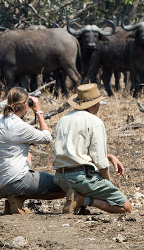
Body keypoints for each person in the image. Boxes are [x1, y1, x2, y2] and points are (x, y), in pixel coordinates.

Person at [53, 83, 132, 214]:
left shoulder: (63, 120)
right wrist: (107, 182)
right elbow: (100, 161)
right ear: (94, 104)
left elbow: (74, 153)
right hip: (81, 178)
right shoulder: (95, 121)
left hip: (61, 179)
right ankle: (81, 200)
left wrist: (110, 156)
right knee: (126, 207)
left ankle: (78, 199)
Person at [0, 87, 65, 214]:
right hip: (14, 182)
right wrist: (38, 111)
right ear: (25, 105)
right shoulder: (20, 127)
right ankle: (18, 197)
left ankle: (14, 199)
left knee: (28, 157)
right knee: (62, 186)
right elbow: (47, 138)